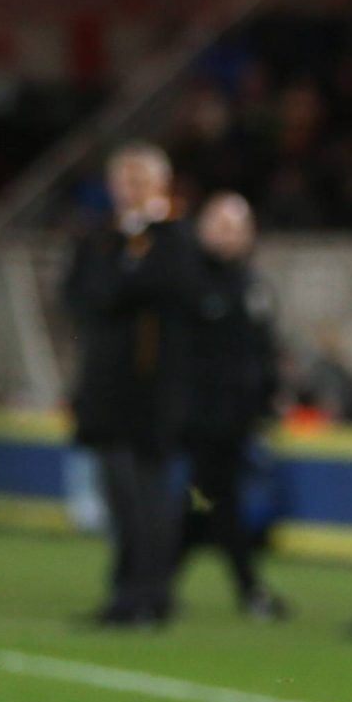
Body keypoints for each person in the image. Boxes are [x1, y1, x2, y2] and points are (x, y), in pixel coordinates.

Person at [63, 142, 199, 629]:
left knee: (148, 491)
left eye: (141, 179)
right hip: (106, 384)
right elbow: (81, 296)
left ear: (161, 184)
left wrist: (127, 272)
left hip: (153, 388)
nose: (131, 189)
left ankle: (148, 592)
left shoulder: (175, 237)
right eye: (124, 179)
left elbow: (164, 289)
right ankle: (130, 590)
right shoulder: (102, 237)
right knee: (119, 491)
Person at [173, 192, 287, 620]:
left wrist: (268, 397)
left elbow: (263, 351)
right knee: (220, 498)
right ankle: (249, 589)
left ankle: (154, 580)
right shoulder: (188, 283)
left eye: (237, 227)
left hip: (239, 417)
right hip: (201, 416)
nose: (229, 235)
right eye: (221, 225)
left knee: (206, 502)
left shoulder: (253, 286)